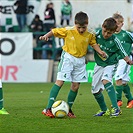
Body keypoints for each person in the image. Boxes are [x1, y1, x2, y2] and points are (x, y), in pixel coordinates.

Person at [39, 11, 107, 118]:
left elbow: (93, 43)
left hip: (80, 60)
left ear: (87, 24)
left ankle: (69, 109)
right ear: (75, 23)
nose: (81, 30)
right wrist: (46, 36)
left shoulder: (90, 33)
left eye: (83, 27)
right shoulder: (68, 30)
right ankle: (48, 108)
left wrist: (100, 52)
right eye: (79, 27)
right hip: (68, 57)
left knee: (75, 86)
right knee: (60, 81)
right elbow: (54, 31)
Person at [91, 17, 133, 117]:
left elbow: (122, 51)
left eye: (109, 33)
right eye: (105, 31)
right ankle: (104, 110)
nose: (106, 34)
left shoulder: (115, 40)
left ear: (114, 32)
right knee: (95, 91)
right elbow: (88, 42)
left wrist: (128, 60)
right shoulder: (96, 35)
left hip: (111, 63)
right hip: (99, 64)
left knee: (106, 80)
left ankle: (116, 108)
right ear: (102, 27)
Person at [112, 13, 133, 108]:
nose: (116, 25)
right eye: (114, 23)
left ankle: (118, 101)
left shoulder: (126, 35)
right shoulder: (111, 35)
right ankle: (131, 100)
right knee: (123, 82)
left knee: (117, 78)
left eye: (118, 23)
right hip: (116, 60)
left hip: (125, 60)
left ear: (122, 24)